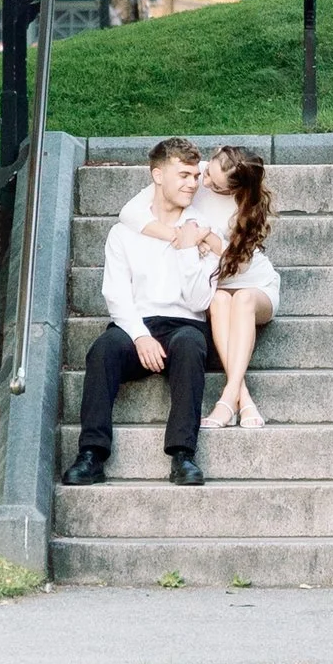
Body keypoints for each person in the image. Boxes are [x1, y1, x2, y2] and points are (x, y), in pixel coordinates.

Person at [62, 137, 218, 488]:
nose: (192, 183)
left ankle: (183, 455)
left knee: (192, 344)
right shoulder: (124, 233)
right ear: (158, 176)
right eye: (183, 175)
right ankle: (91, 455)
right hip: (137, 325)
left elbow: (198, 301)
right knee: (102, 350)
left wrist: (188, 248)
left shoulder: (204, 229)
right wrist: (140, 335)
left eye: (196, 175)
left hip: (185, 324)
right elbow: (115, 293)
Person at [119, 142, 281, 430]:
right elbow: (129, 214)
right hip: (214, 284)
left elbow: (239, 264)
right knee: (219, 299)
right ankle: (243, 399)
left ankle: (228, 399)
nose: (203, 183)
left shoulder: (246, 204)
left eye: (215, 186)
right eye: (207, 174)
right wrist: (180, 236)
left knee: (241, 299)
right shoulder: (194, 175)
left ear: (232, 190)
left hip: (253, 284)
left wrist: (207, 238)